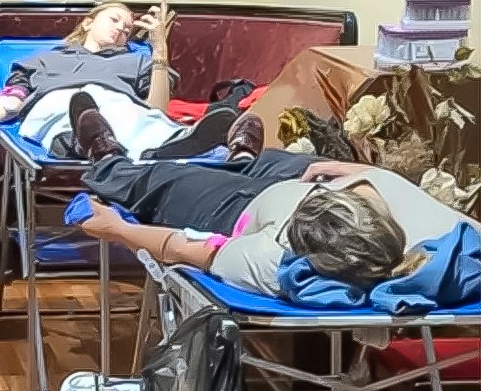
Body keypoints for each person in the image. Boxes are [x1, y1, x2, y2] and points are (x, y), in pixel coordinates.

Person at [68, 106, 479, 296]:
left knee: (161, 178)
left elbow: (181, 245)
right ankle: (242, 158)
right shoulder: (439, 230)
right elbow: (387, 182)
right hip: (298, 178)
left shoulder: (270, 260)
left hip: (241, 211)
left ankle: (107, 159)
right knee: (286, 160)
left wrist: (116, 228)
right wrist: (348, 172)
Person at [0, 1, 242, 160]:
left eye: (127, 30)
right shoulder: (44, 60)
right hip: (59, 110)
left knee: (124, 108)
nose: (121, 31)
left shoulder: (138, 61)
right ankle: (120, 143)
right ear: (87, 21)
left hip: (122, 113)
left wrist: (159, 48)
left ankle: (161, 145)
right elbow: (11, 102)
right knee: (84, 101)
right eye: (114, 20)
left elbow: (157, 108)